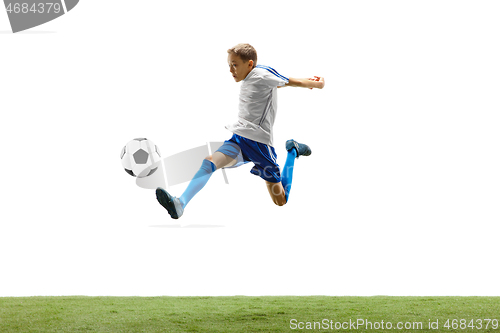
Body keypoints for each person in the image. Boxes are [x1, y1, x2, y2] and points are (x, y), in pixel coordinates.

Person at [156, 43, 325, 219]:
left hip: (259, 145)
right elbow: (274, 84)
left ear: (250, 64)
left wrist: (317, 84)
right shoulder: (252, 78)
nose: (231, 70)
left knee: (280, 200)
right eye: (229, 65)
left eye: (234, 65)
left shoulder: (262, 73)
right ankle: (180, 203)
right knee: (210, 162)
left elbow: (291, 81)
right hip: (239, 139)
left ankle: (293, 150)